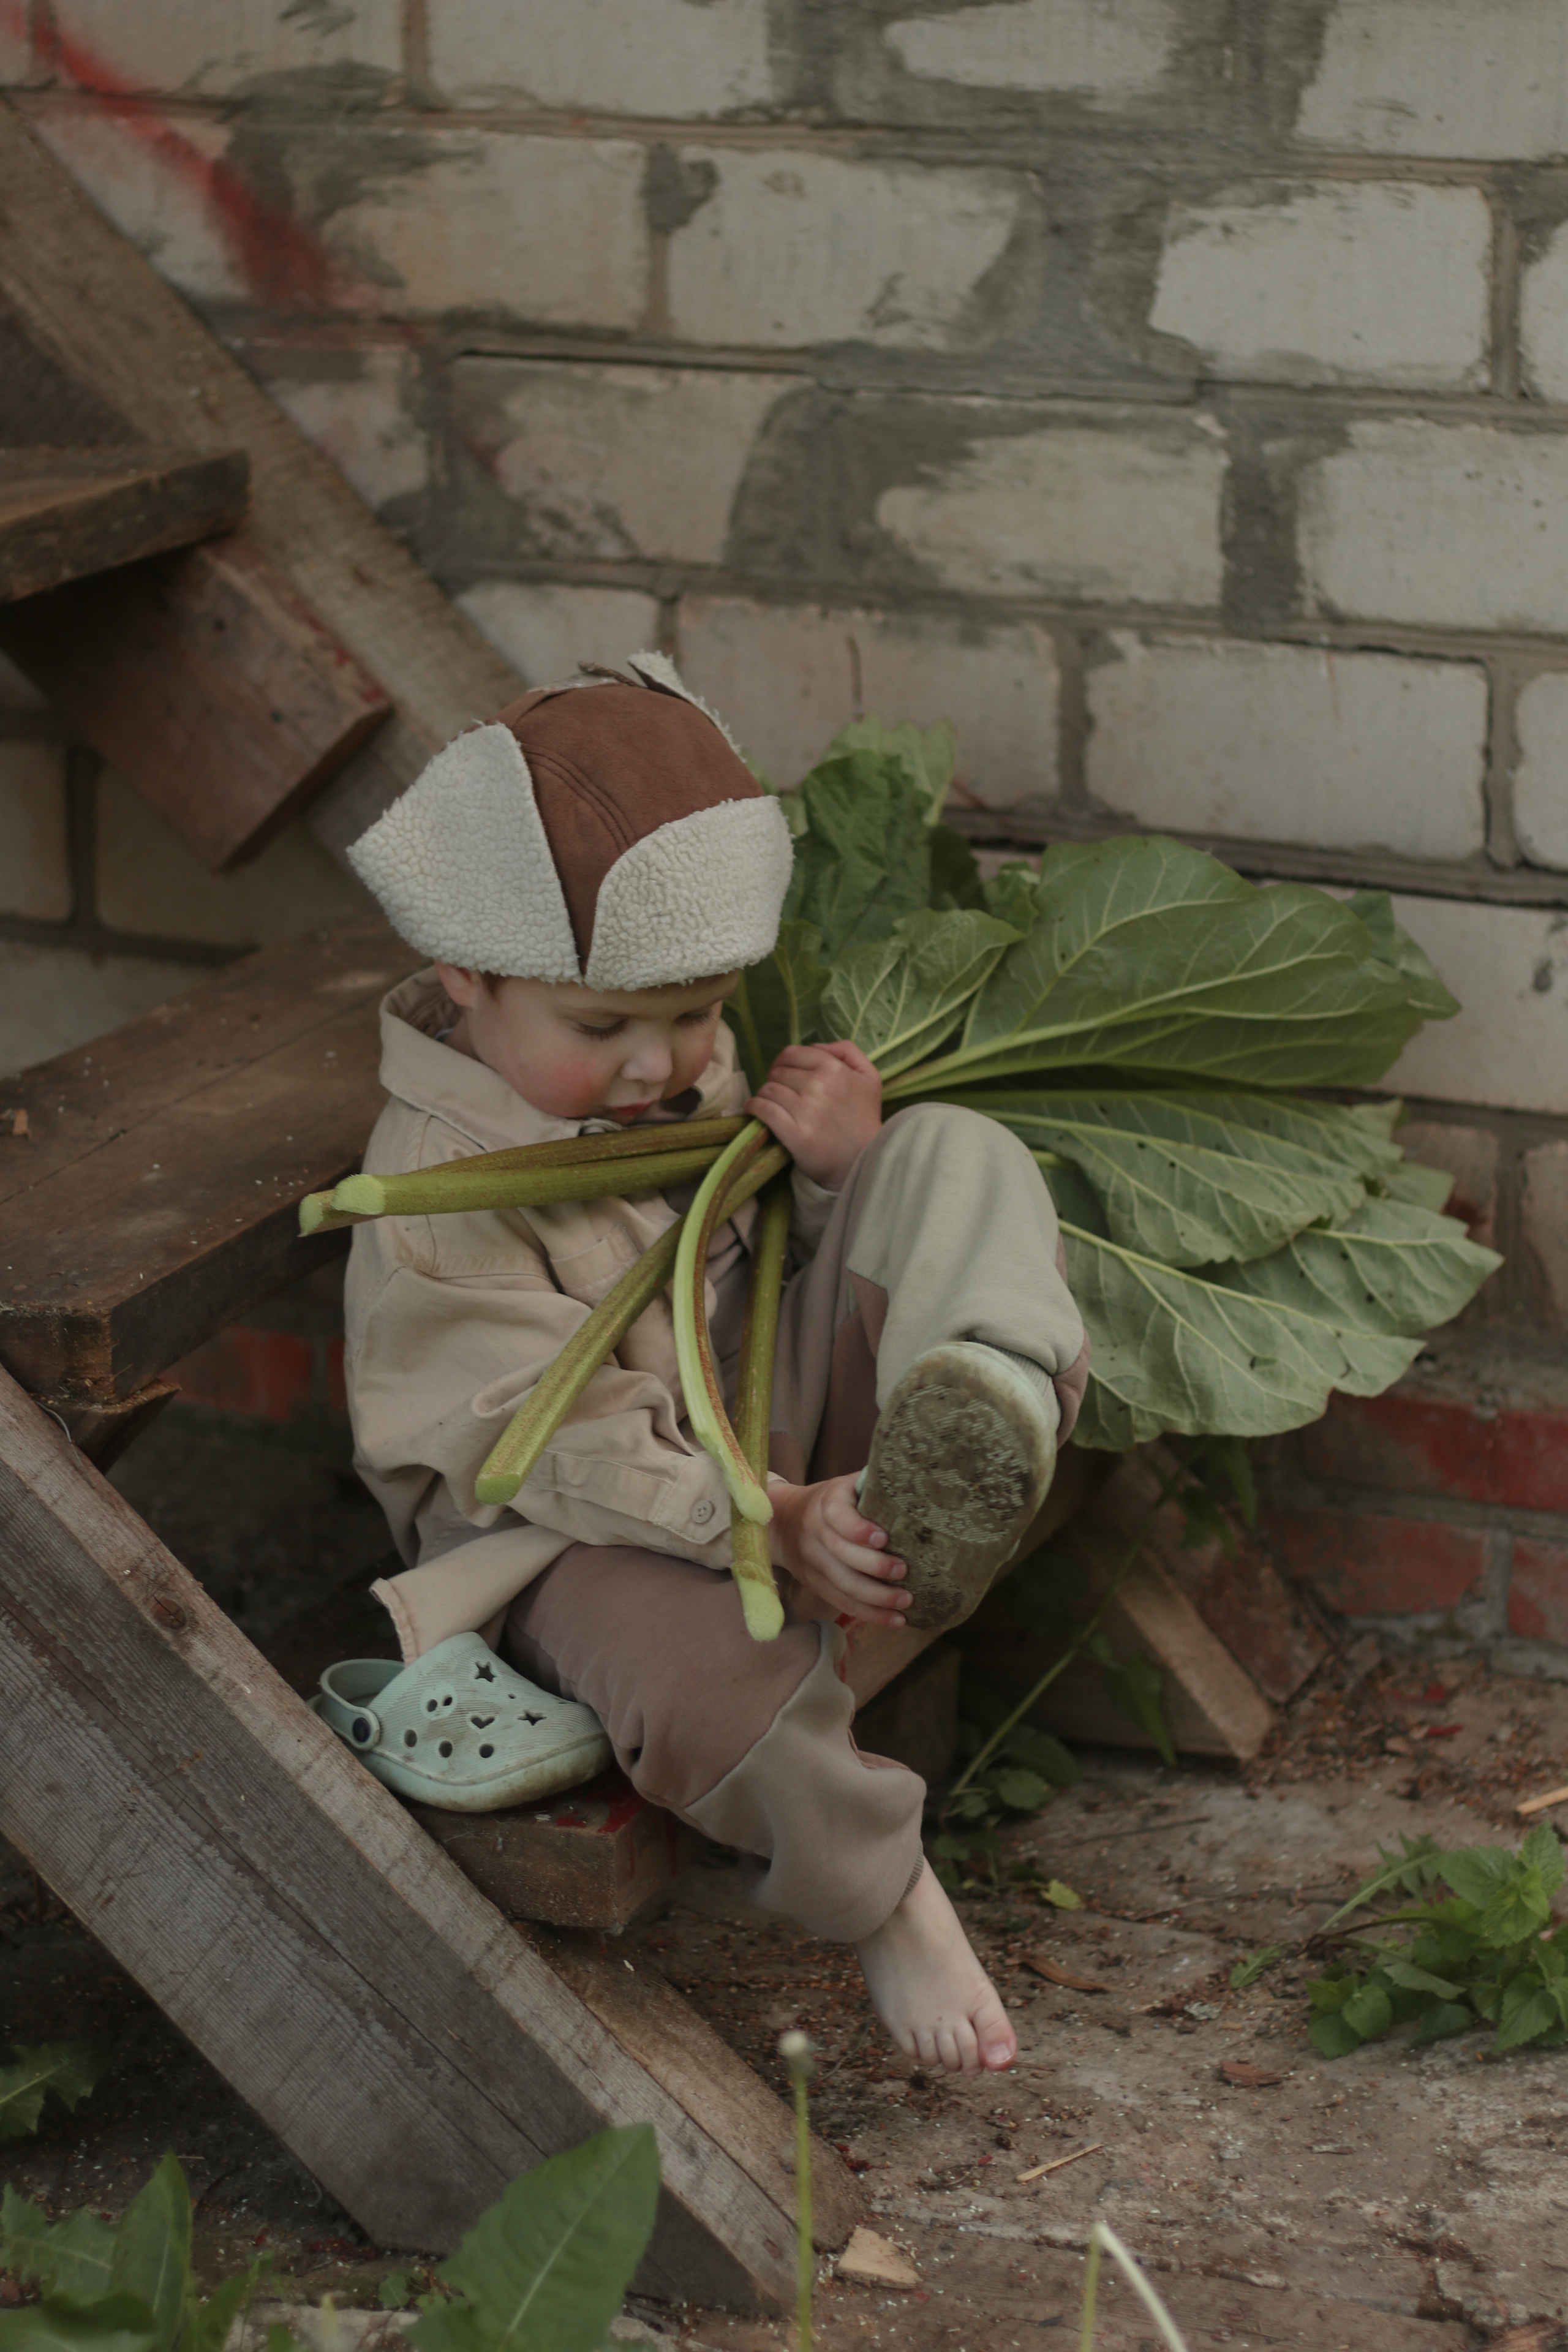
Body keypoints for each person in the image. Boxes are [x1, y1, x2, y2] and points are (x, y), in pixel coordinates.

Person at [333, 654, 1088, 2075]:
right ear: (463, 975)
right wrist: (757, 1517)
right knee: (701, 1675)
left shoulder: (663, 1065)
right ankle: (886, 1892)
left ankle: (972, 1415)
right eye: (603, 1029)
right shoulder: (433, 1193)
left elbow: (749, 1258)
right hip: (566, 1538)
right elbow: (537, 1440)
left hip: (758, 1434)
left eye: (696, 1015)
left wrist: (833, 1175)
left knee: (951, 1153)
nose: (659, 1066)